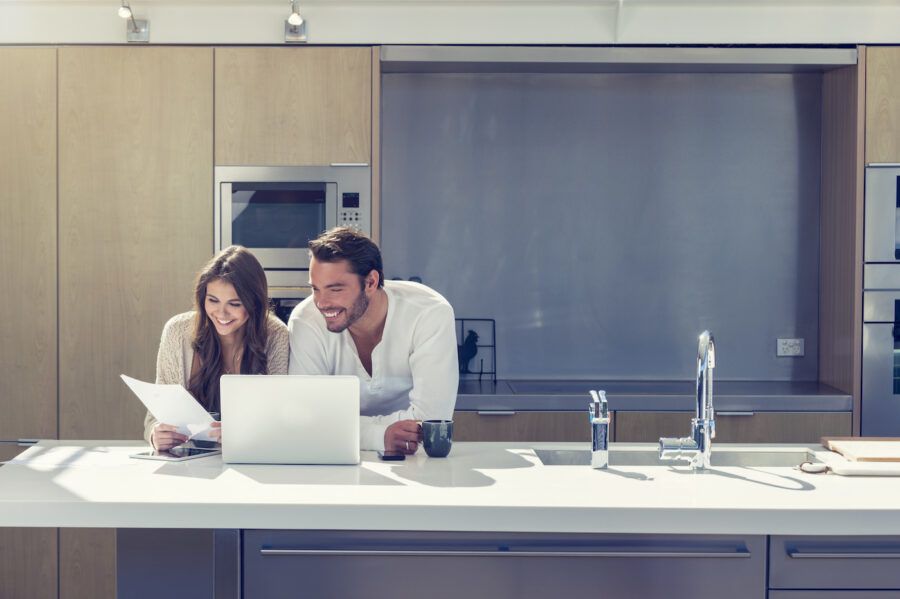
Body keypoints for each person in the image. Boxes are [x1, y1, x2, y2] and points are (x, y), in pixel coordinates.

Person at [288, 227, 459, 454]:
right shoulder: (305, 320)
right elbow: (306, 417)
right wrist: (379, 435)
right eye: (315, 289)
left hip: (412, 458)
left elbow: (431, 421)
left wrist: (339, 426)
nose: (321, 302)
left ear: (370, 282)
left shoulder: (429, 313)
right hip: (334, 458)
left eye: (335, 289)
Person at [144, 246, 290, 451]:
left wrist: (242, 432)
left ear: (254, 304)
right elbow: (154, 418)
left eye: (235, 304)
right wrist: (155, 435)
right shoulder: (176, 332)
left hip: (251, 462)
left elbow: (280, 421)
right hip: (191, 465)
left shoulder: (276, 336)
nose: (221, 313)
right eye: (213, 300)